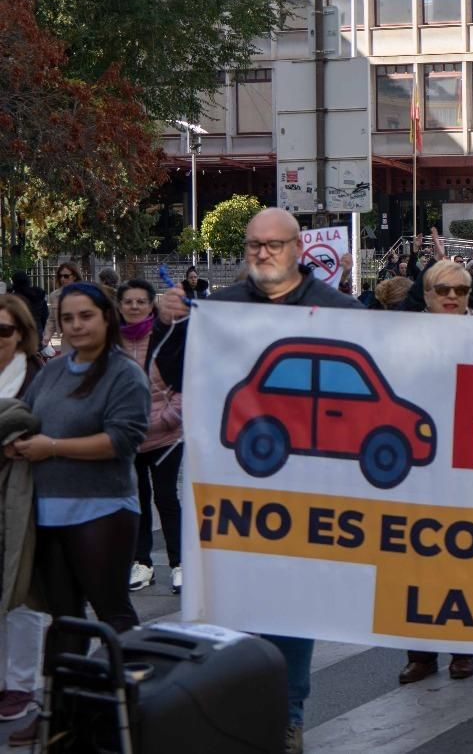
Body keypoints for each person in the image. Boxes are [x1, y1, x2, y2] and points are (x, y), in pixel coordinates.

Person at [154, 207, 364, 754]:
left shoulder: (341, 310)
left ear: (298, 248)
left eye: (273, 245)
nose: (262, 254)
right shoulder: (219, 309)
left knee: (291, 607)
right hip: (232, 487)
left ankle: (288, 716)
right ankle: (237, 715)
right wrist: (169, 323)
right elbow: (177, 375)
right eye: (253, 246)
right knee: (235, 603)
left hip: (312, 489)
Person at [12, 285, 147, 670]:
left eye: (85, 316)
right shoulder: (53, 370)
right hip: (48, 516)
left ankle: (134, 709)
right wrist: (17, 442)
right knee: (65, 620)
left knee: (113, 614)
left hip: (102, 513)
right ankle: (66, 719)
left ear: (107, 317)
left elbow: (121, 441)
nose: (76, 326)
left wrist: (52, 447)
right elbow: (28, 416)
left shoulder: (124, 373)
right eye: (67, 318)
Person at [399, 260, 473, 685]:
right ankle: (421, 653)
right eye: (442, 289)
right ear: (426, 294)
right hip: (416, 467)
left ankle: (463, 651)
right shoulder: (403, 336)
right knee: (415, 565)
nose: (451, 296)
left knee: (460, 563)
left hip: (468, 468)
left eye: (461, 291)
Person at [116, 280, 184, 596]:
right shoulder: (111, 342)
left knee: (167, 498)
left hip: (166, 436)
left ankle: (180, 564)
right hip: (130, 438)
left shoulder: (164, 337)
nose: (133, 307)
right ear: (119, 306)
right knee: (137, 501)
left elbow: (183, 381)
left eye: (140, 301)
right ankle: (141, 562)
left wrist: (168, 419)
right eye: (127, 301)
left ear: (150, 305)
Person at [0, 296, 46, 730]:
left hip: (24, 495)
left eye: (4, 331)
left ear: (21, 334)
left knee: (23, 588)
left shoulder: (36, 376)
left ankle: (21, 683)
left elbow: (48, 428)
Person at [39, 263, 81, 356]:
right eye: (60, 276)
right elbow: (51, 319)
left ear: (74, 276)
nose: (62, 279)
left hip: (82, 336)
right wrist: (47, 336)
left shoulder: (83, 293)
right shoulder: (54, 296)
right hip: (65, 339)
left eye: (66, 276)